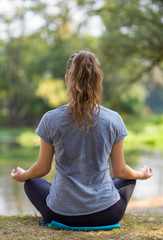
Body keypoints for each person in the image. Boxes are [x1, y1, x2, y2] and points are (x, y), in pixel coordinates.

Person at [11, 50, 153, 227]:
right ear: (99, 81)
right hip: (107, 214)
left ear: (67, 80)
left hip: (60, 214)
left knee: (31, 182)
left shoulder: (50, 119)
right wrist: (140, 174)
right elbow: (121, 172)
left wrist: (23, 174)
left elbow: (42, 168)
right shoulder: (113, 119)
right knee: (129, 178)